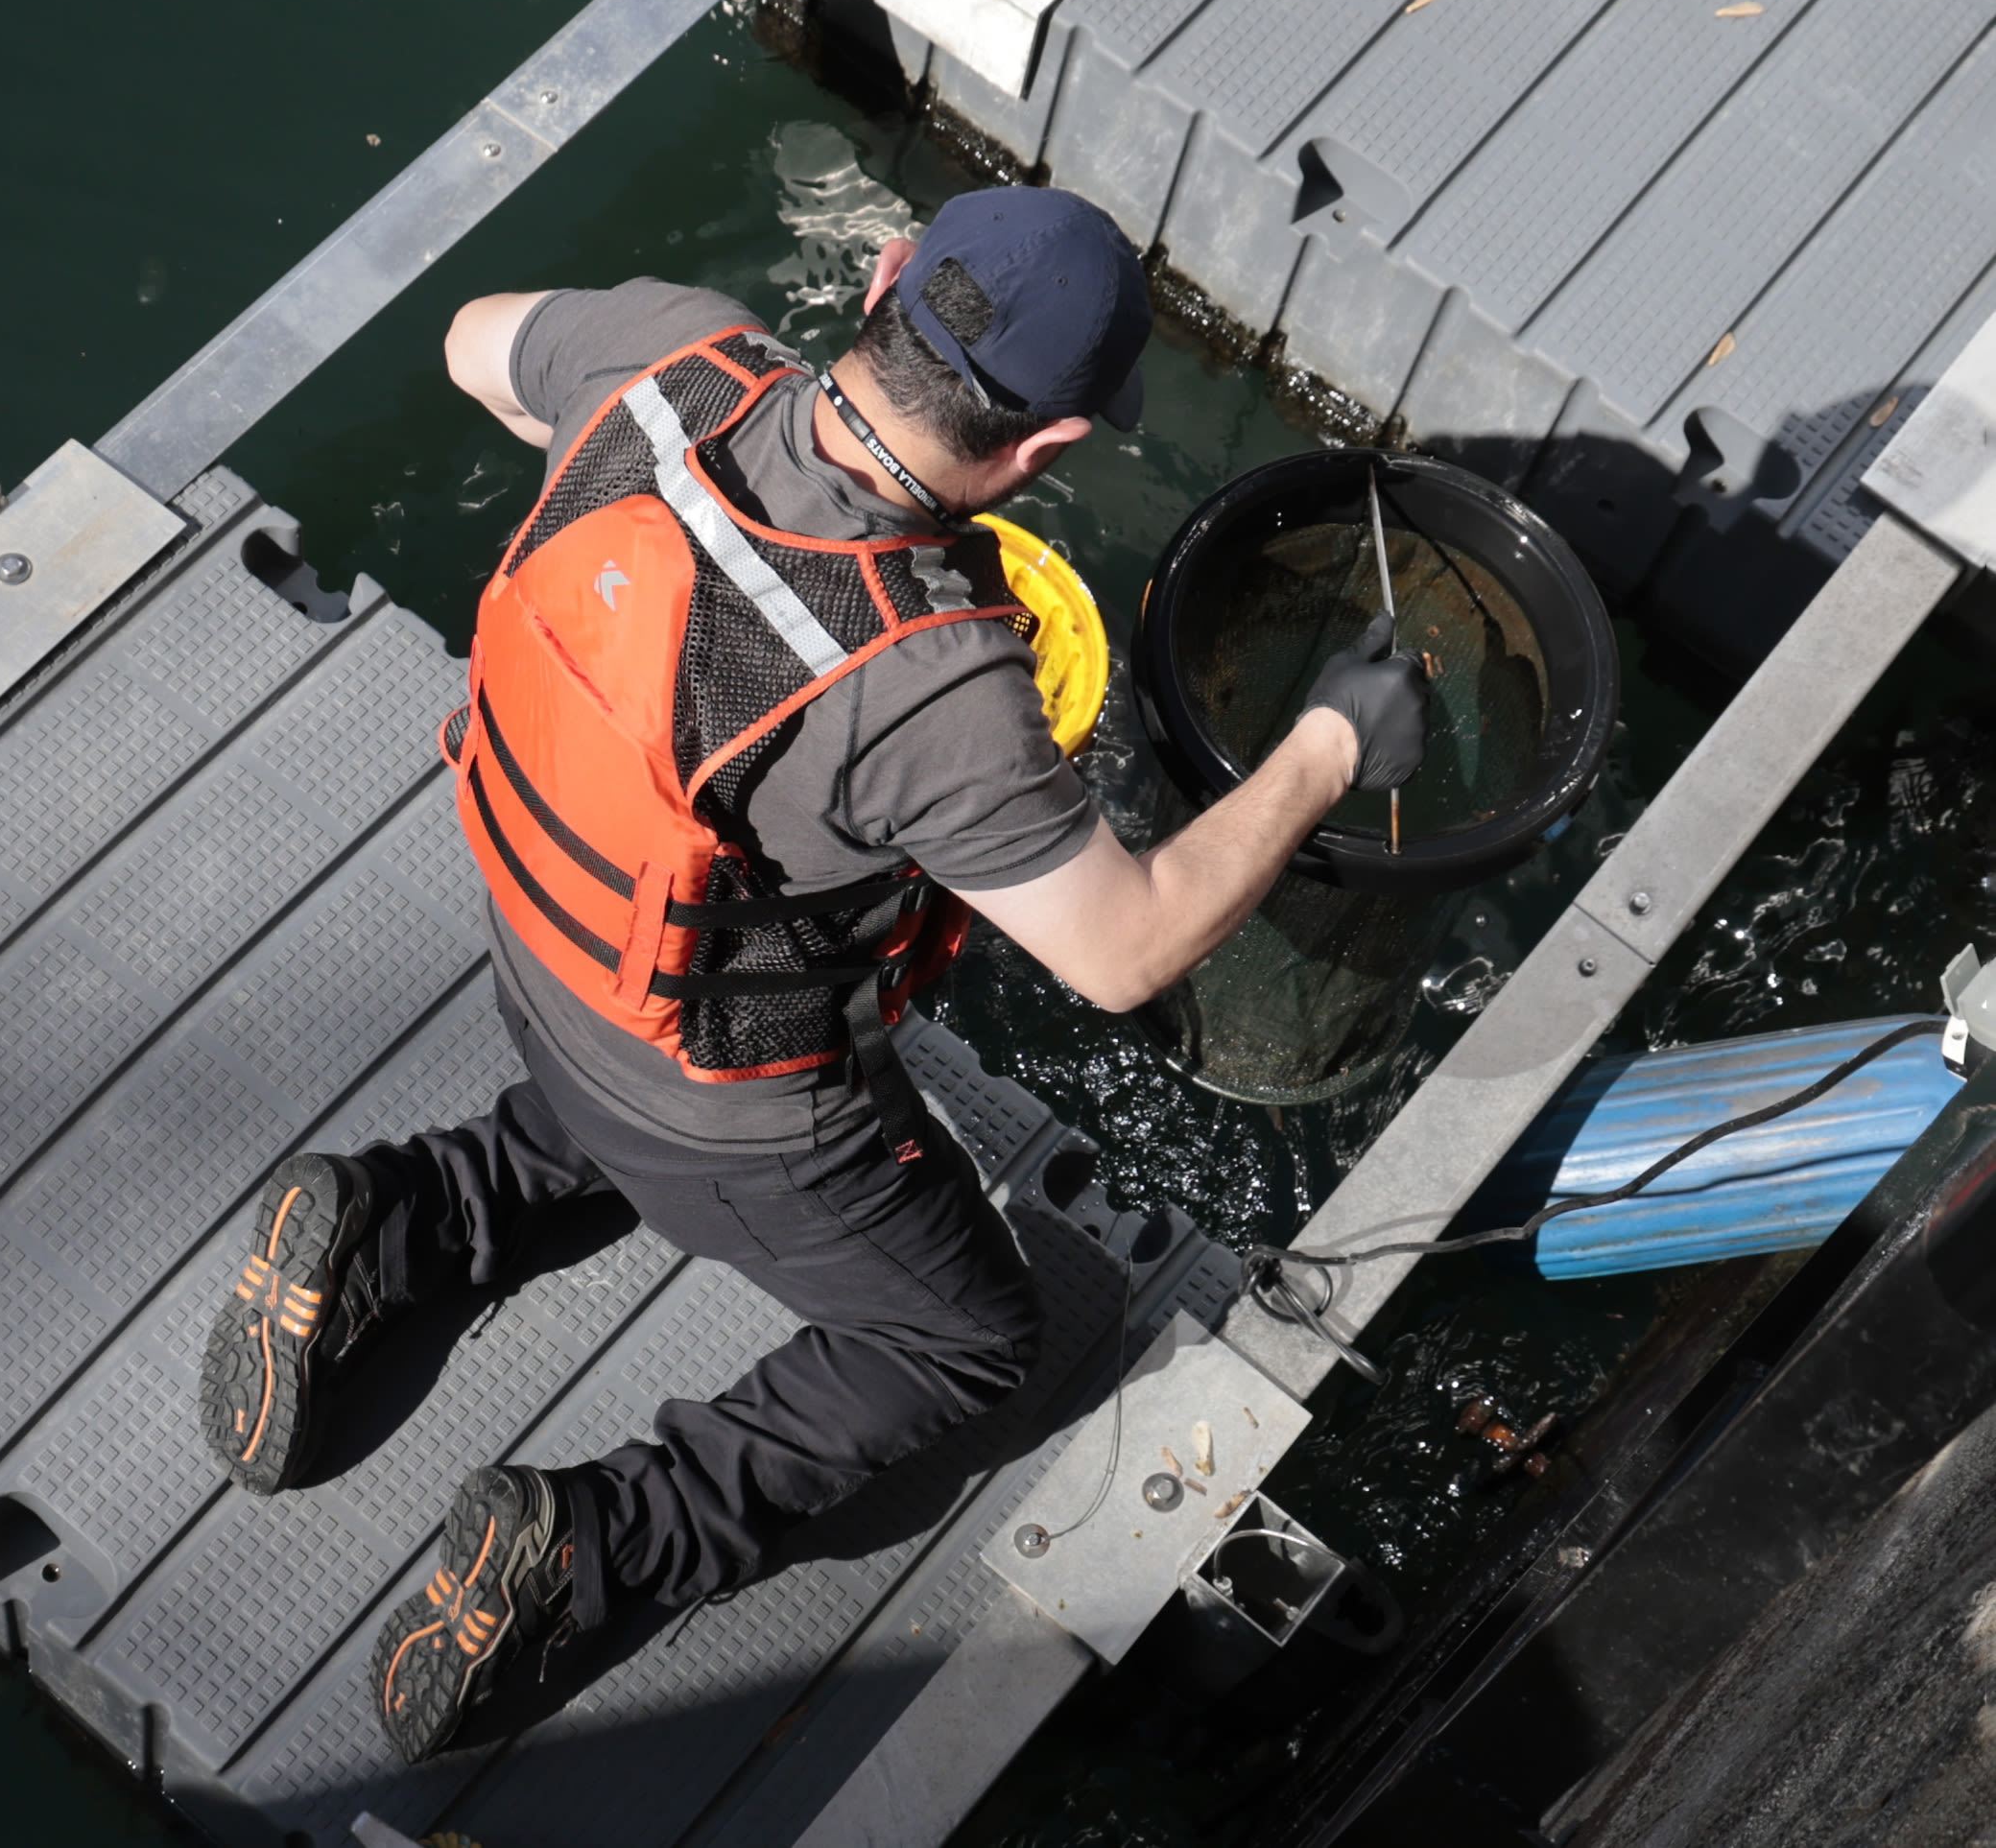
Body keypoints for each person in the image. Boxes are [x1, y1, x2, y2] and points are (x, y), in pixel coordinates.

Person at [192, 186, 1427, 1762]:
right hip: (730, 1112)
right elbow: (1121, 952)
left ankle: (409, 1218)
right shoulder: (931, 680)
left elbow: (470, 347)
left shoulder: (665, 356)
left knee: (626, 1097)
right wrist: (1328, 745)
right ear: (1045, 454)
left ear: (889, 279)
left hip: (538, 950)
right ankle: (602, 1539)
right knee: (967, 1341)